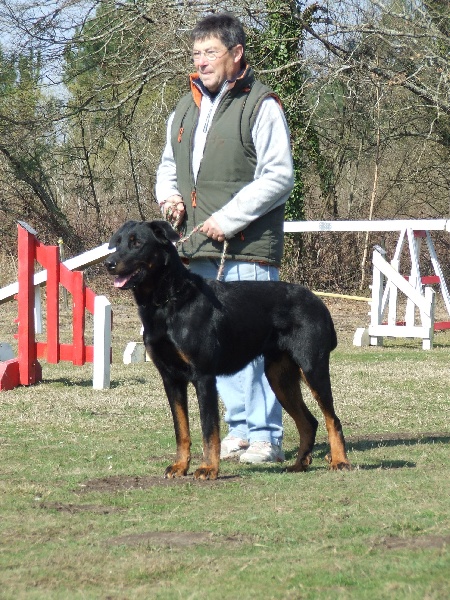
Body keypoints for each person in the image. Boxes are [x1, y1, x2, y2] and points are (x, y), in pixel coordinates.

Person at [155, 12, 294, 464]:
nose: (201, 61)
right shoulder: (183, 106)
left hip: (247, 245)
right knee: (211, 344)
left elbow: (278, 177)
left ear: (236, 54)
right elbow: (167, 168)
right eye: (195, 54)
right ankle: (237, 429)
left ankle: (265, 437)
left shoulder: (262, 104)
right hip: (195, 248)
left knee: (253, 343)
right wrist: (170, 199)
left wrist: (229, 218)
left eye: (210, 52)